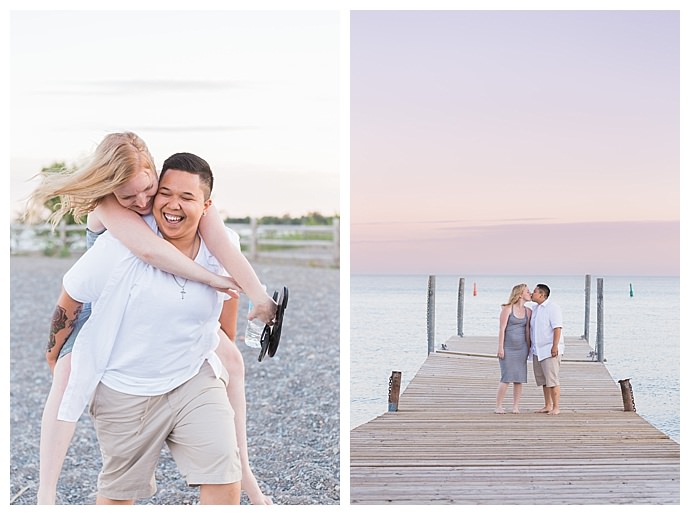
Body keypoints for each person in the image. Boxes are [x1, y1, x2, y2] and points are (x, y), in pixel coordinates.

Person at [29, 132, 274, 504]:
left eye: (148, 190)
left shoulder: (177, 194)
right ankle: (46, 493)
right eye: (130, 197)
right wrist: (212, 280)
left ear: (153, 170)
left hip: (162, 288)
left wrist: (258, 296)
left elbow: (222, 245)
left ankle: (246, 476)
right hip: (107, 297)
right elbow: (148, 250)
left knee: (234, 362)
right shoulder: (108, 207)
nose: (142, 203)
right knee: (64, 377)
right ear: (112, 190)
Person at [495, 284, 532, 414]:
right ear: (520, 294)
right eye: (527, 291)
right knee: (506, 377)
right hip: (508, 348)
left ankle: (516, 406)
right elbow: (502, 329)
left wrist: (529, 348)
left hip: (522, 349)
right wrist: (500, 347)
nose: (530, 293)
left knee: (519, 378)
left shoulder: (528, 311)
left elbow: (527, 331)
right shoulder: (507, 309)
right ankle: (498, 405)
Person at [529, 283, 564, 415]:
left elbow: (557, 328)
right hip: (537, 350)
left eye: (535, 291)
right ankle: (547, 405)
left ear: (542, 294)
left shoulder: (553, 308)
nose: (532, 293)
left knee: (552, 379)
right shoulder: (535, 308)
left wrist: (554, 346)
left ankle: (556, 407)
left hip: (549, 349)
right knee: (543, 380)